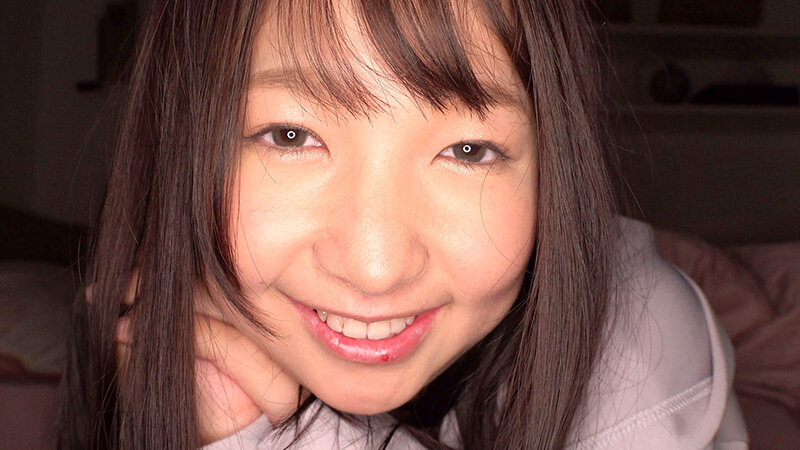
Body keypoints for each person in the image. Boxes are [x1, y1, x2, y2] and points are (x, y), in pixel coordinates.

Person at [59, 0, 748, 448]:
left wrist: (259, 434)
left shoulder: (638, 338)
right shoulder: (145, 339)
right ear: (182, 148)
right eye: (290, 136)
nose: (376, 267)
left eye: (468, 151)